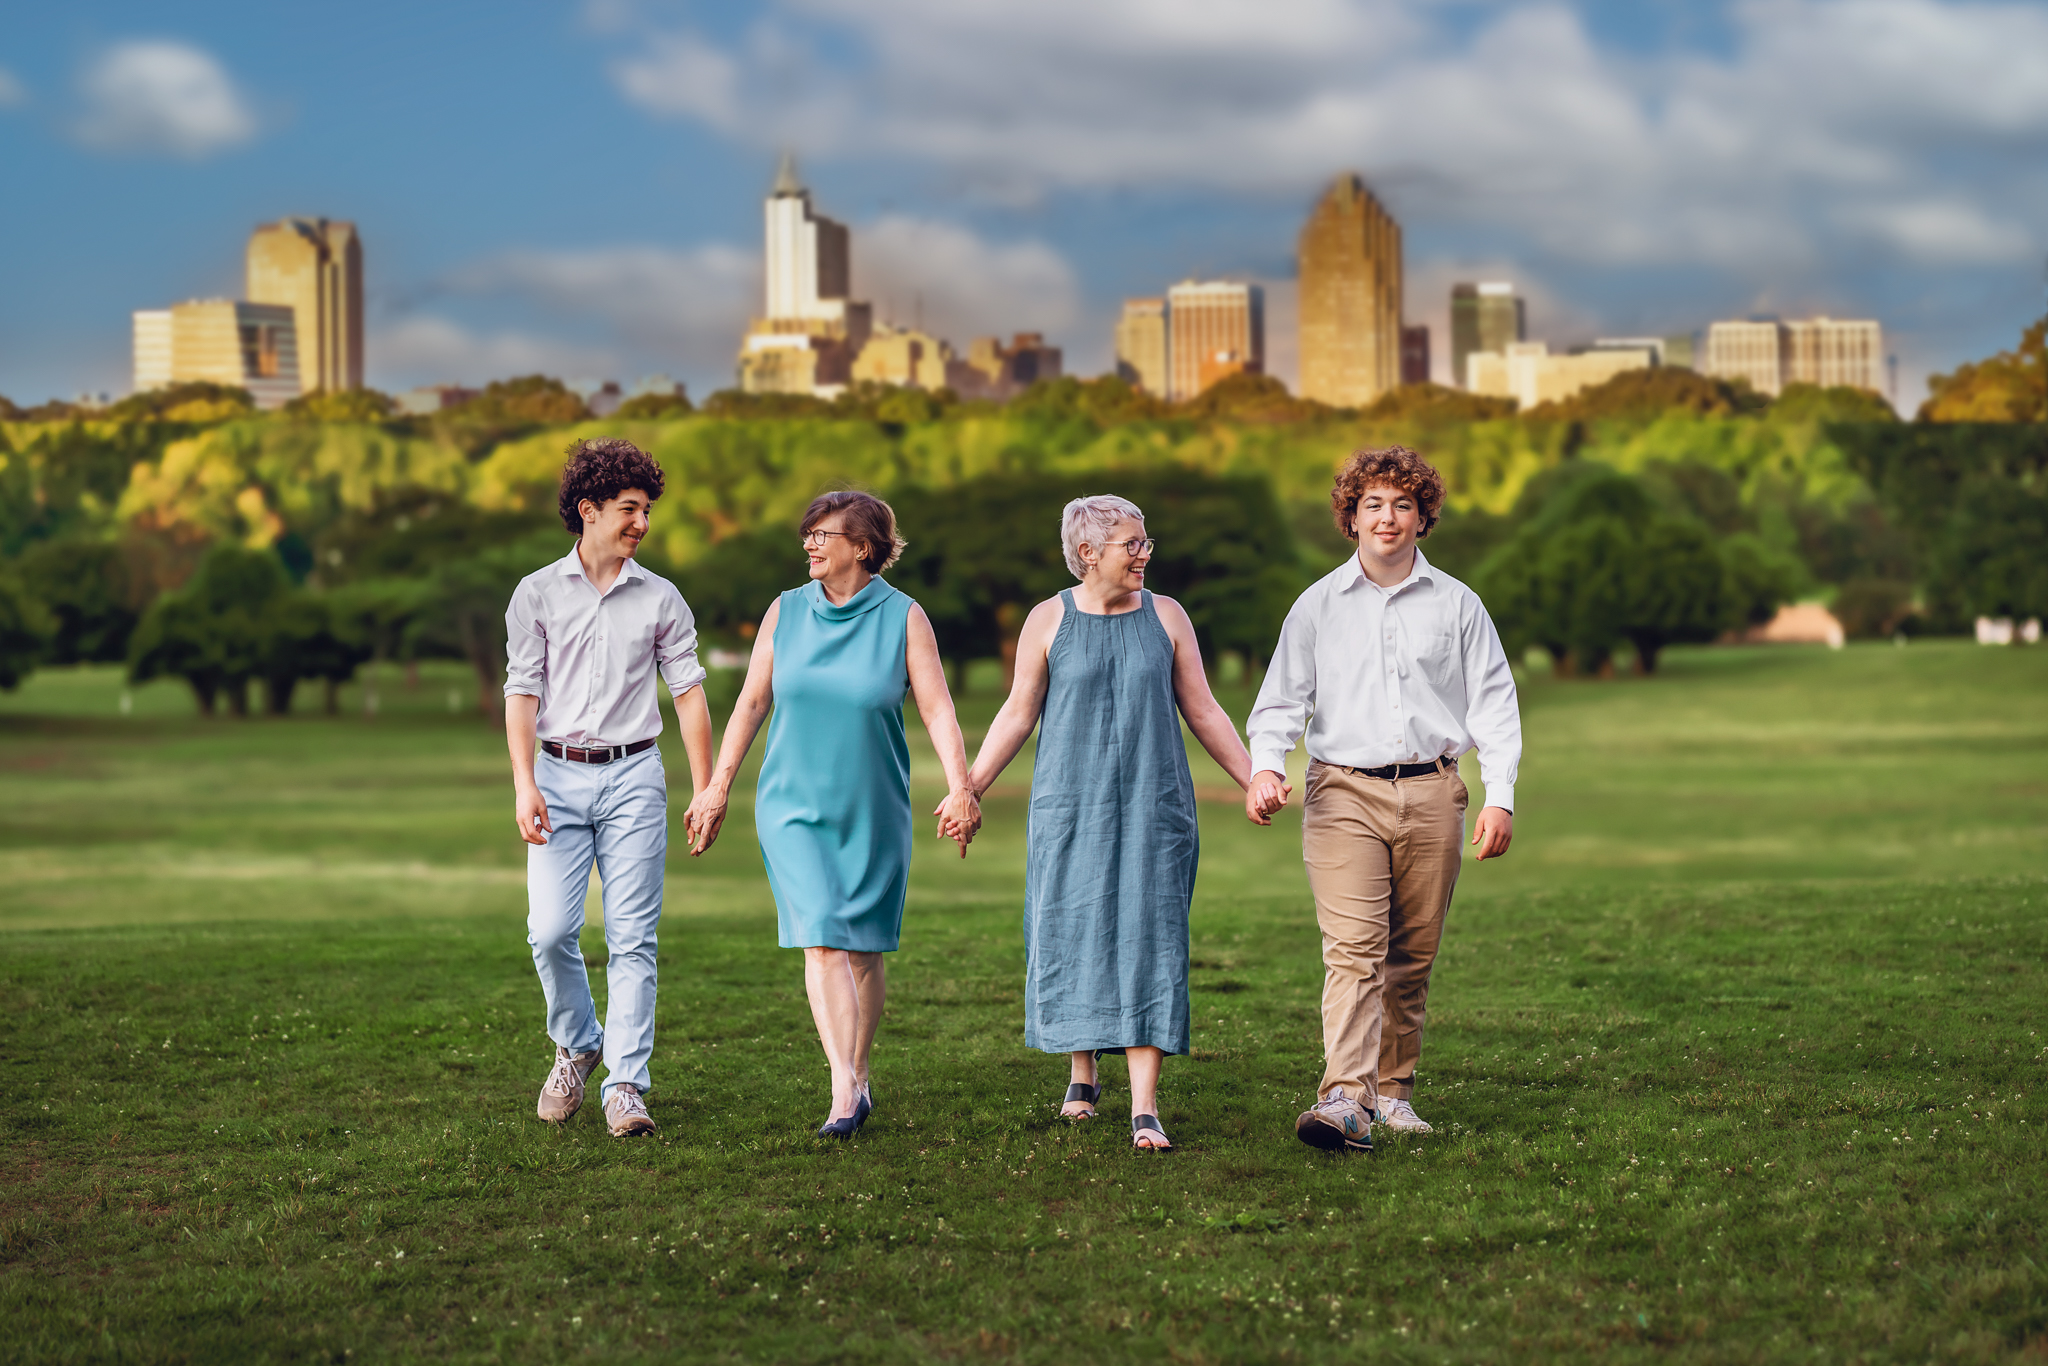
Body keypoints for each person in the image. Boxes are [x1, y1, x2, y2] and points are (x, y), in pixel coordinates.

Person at [953, 495, 1255, 1152]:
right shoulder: (1047, 619)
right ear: (1089, 553)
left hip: (1156, 806)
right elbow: (1015, 713)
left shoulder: (1167, 616)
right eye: (1133, 544)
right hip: (1071, 807)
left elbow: (1203, 708)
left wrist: (1254, 775)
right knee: (1074, 928)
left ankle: (1145, 1106)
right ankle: (1081, 1072)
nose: (1145, 554)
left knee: (1152, 937)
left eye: (1146, 543)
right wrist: (968, 788)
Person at [1244, 445, 1521, 1153]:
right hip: (1342, 793)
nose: (1388, 516)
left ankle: (1393, 1095)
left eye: (1402, 503)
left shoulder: (1459, 604)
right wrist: (1266, 768)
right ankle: (1343, 1099)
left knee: (1412, 956)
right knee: (1355, 951)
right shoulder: (1317, 607)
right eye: (1373, 503)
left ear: (1422, 516)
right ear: (1352, 516)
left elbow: (1495, 704)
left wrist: (1501, 796)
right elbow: (1279, 702)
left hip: (1434, 791)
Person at [685, 491, 979, 1138]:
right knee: (822, 938)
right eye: (808, 533)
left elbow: (937, 710)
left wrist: (961, 787)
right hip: (790, 802)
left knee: (865, 951)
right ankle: (843, 1091)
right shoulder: (785, 611)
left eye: (826, 534)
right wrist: (716, 786)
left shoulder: (905, 617)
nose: (811, 544)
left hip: (873, 805)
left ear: (864, 546)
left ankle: (860, 1071)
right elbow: (752, 702)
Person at [504, 437, 715, 1138]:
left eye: (647, 510)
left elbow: (687, 694)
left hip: (634, 778)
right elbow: (522, 692)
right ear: (588, 511)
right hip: (557, 776)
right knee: (550, 932)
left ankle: (625, 1085)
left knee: (632, 938)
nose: (642, 523)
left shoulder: (661, 599)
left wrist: (705, 787)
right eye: (629, 509)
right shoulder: (536, 593)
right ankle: (580, 1042)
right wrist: (523, 784)